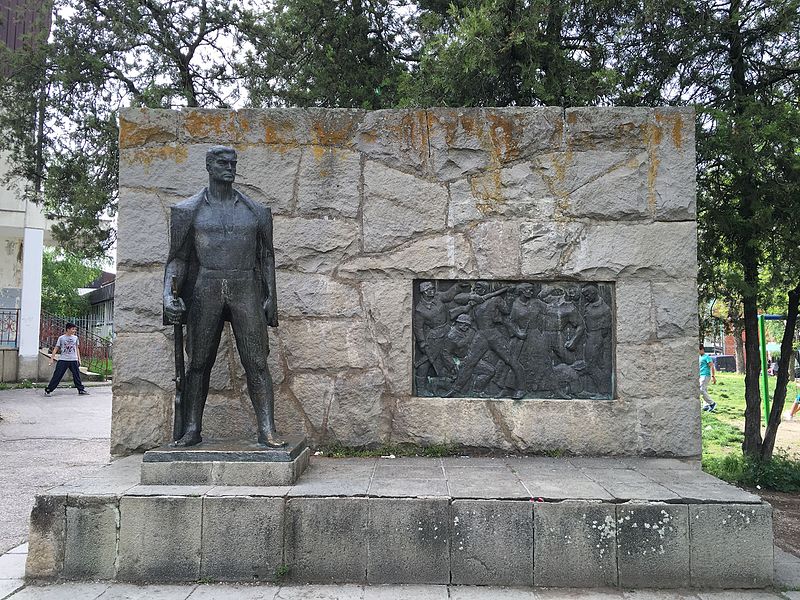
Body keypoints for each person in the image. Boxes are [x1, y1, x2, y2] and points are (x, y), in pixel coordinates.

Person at [163, 145, 283, 448]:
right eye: (222, 162)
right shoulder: (188, 211)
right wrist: (169, 293)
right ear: (208, 166)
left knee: (256, 362)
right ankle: (192, 428)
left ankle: (266, 429)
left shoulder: (255, 211)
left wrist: (271, 297)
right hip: (206, 286)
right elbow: (177, 259)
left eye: (233, 163)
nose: (229, 167)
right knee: (198, 363)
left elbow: (266, 257)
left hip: (245, 287)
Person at [44, 323, 88, 396]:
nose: (74, 330)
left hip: (73, 359)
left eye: (75, 329)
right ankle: (49, 390)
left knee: (76, 375)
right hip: (63, 359)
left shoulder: (75, 338)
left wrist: (79, 359)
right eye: (72, 329)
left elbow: (77, 348)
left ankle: (81, 390)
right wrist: (51, 359)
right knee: (57, 375)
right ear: (68, 329)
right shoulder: (61, 338)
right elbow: (56, 348)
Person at [699, 344, 716, 411]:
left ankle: (712, 403)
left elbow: (712, 366)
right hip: (701, 375)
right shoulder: (699, 357)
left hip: (705, 375)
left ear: (702, 349)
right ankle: (706, 405)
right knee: (704, 390)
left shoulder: (707, 357)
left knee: (701, 390)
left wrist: (713, 376)